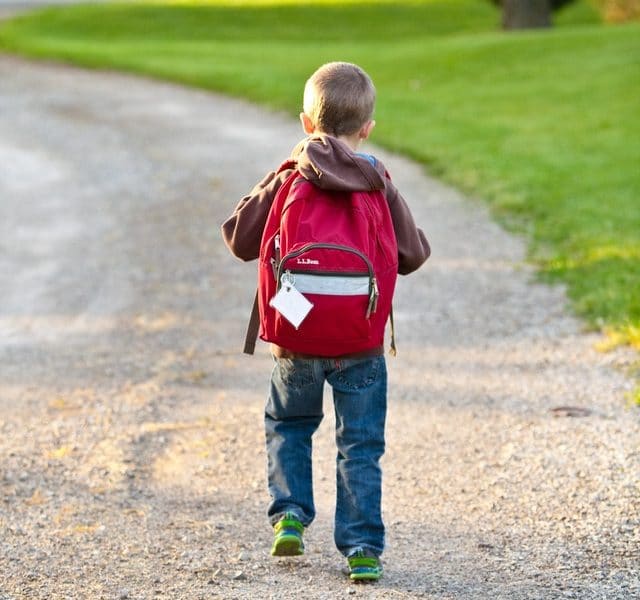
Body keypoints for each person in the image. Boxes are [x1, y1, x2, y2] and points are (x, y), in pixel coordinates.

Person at [221, 61, 430, 581]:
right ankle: (361, 549)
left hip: (296, 340)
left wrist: (280, 172)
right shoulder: (376, 178)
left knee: (289, 425)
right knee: (359, 444)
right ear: (368, 129)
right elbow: (413, 254)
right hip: (361, 341)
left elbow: (239, 238)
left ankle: (290, 515)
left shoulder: (291, 175)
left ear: (305, 123)